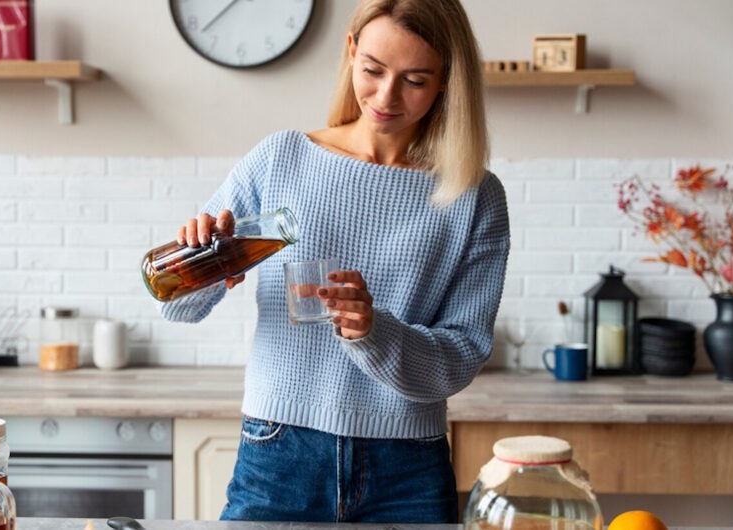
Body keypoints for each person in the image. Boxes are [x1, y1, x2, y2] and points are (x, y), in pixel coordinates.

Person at [159, 0, 509, 523]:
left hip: (408, 470)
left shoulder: (474, 196)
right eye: (373, 70)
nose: (386, 97)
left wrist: (374, 331)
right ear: (351, 52)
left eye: (415, 80)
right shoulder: (281, 159)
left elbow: (462, 355)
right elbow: (176, 308)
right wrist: (199, 258)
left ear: (446, 81)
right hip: (279, 452)